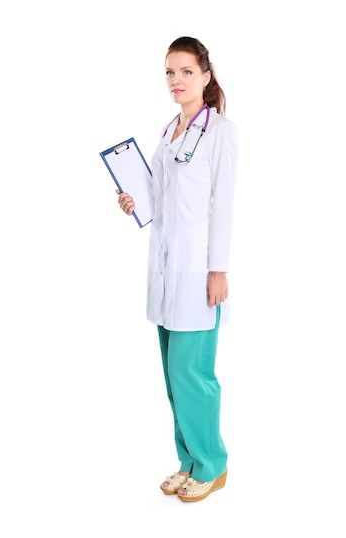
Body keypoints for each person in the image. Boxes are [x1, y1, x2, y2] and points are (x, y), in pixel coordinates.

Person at [116, 36, 238, 502]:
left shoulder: (220, 131)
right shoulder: (168, 132)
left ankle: (213, 463)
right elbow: (161, 203)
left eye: (186, 71)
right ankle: (188, 460)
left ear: (206, 76)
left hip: (197, 273)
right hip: (165, 271)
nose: (176, 80)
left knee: (194, 373)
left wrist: (219, 269)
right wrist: (134, 201)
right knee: (173, 374)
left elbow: (221, 204)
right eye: (170, 72)